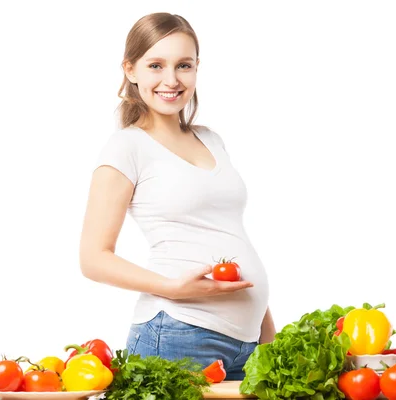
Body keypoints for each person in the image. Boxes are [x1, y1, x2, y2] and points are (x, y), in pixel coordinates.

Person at [79, 12, 275, 381]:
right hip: (179, 335)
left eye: (183, 65)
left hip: (247, 344)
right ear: (131, 69)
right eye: (156, 65)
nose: (171, 80)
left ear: (197, 68)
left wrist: (267, 334)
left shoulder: (210, 138)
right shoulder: (126, 146)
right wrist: (174, 288)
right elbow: (93, 259)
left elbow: (229, 235)